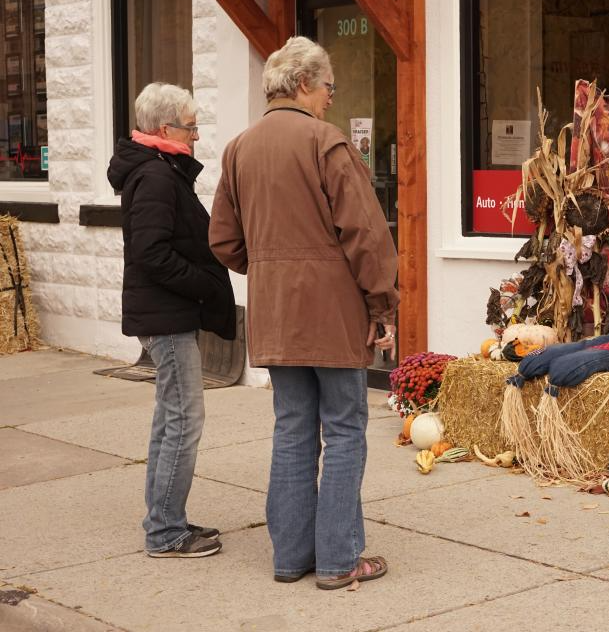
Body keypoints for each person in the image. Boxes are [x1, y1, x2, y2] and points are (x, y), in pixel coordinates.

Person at [209, 36, 399, 590]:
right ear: (301, 85)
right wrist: (382, 305)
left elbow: (223, 241)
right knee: (344, 430)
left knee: (292, 429)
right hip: (333, 313)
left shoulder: (239, 148)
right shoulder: (326, 143)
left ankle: (291, 558)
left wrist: (270, 267)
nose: (330, 99)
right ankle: (340, 561)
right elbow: (366, 234)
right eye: (327, 87)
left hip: (276, 313)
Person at [108, 82, 236, 558]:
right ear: (166, 128)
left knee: (171, 418)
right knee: (184, 419)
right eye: (192, 125)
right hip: (166, 317)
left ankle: (165, 519)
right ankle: (165, 532)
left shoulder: (158, 171)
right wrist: (204, 285)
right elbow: (151, 253)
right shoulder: (158, 177)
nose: (197, 135)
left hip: (165, 313)